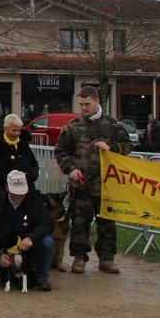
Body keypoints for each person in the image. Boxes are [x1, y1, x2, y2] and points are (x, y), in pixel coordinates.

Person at [54, 86, 133, 274]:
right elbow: (60, 150)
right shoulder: (73, 126)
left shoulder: (113, 125)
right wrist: (70, 169)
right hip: (81, 186)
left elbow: (128, 145)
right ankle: (79, 257)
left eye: (87, 104)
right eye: (81, 104)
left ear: (97, 102)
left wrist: (111, 147)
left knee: (107, 223)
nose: (83, 108)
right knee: (80, 222)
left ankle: (107, 258)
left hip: (106, 186)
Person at [0, 170, 54, 292]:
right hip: (6, 248)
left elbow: (47, 223)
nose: (19, 196)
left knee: (47, 242)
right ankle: (9, 276)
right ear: (7, 188)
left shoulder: (35, 201)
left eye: (22, 193)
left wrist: (32, 237)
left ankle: (42, 278)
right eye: (16, 193)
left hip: (28, 248)